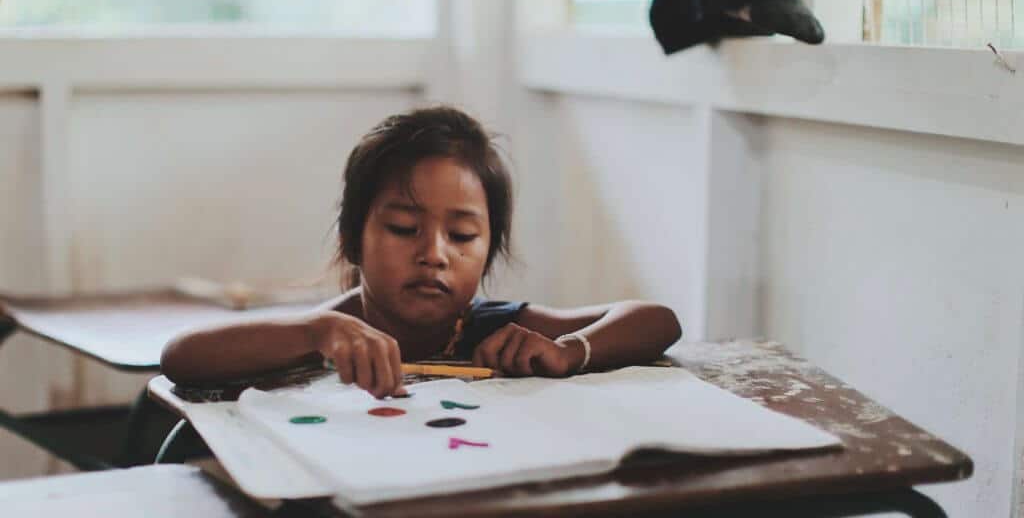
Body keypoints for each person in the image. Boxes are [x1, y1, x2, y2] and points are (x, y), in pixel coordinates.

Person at [160, 106, 682, 398]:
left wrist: (570, 351)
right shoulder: (331, 335)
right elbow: (180, 357)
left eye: (461, 237)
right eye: (405, 227)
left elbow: (656, 321)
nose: (434, 254)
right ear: (351, 238)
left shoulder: (494, 332)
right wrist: (314, 331)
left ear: (489, 252)